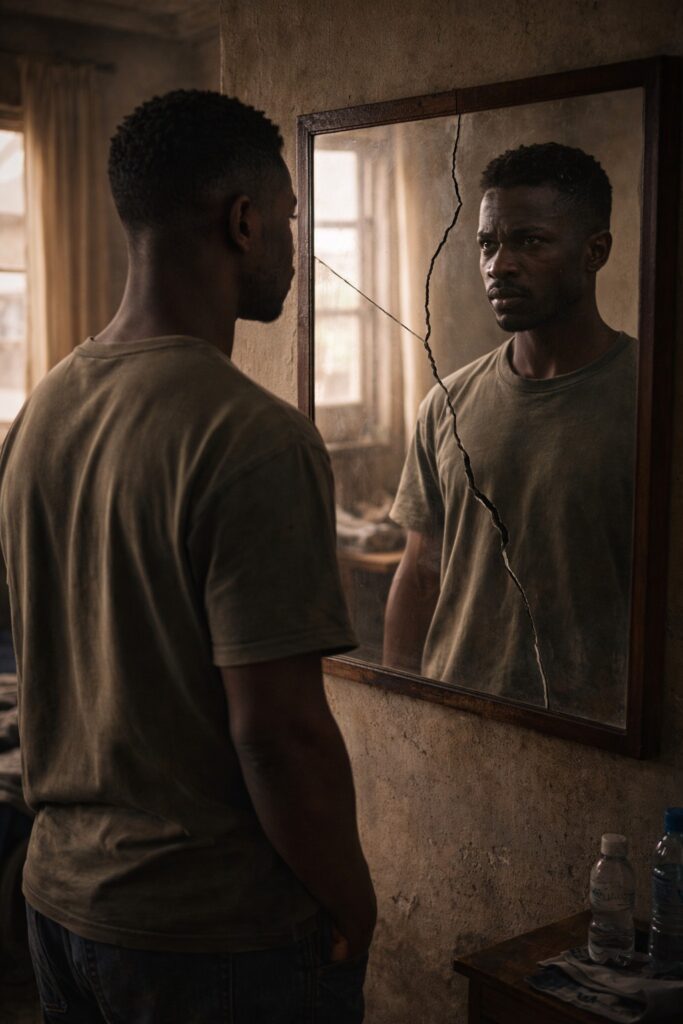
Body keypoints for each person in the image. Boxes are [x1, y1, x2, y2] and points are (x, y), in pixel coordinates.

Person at [0, 90, 376, 1023]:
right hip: (208, 935)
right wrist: (354, 899)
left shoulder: (41, 410)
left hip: (58, 901)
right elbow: (278, 735)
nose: (296, 245)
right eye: (289, 219)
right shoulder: (253, 436)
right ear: (243, 222)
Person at [384, 142, 636, 724]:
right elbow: (420, 574)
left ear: (595, 251)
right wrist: (398, 710)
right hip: (454, 722)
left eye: (530, 241)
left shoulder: (650, 398)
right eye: (487, 243)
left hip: (595, 739)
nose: (499, 264)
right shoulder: (448, 403)